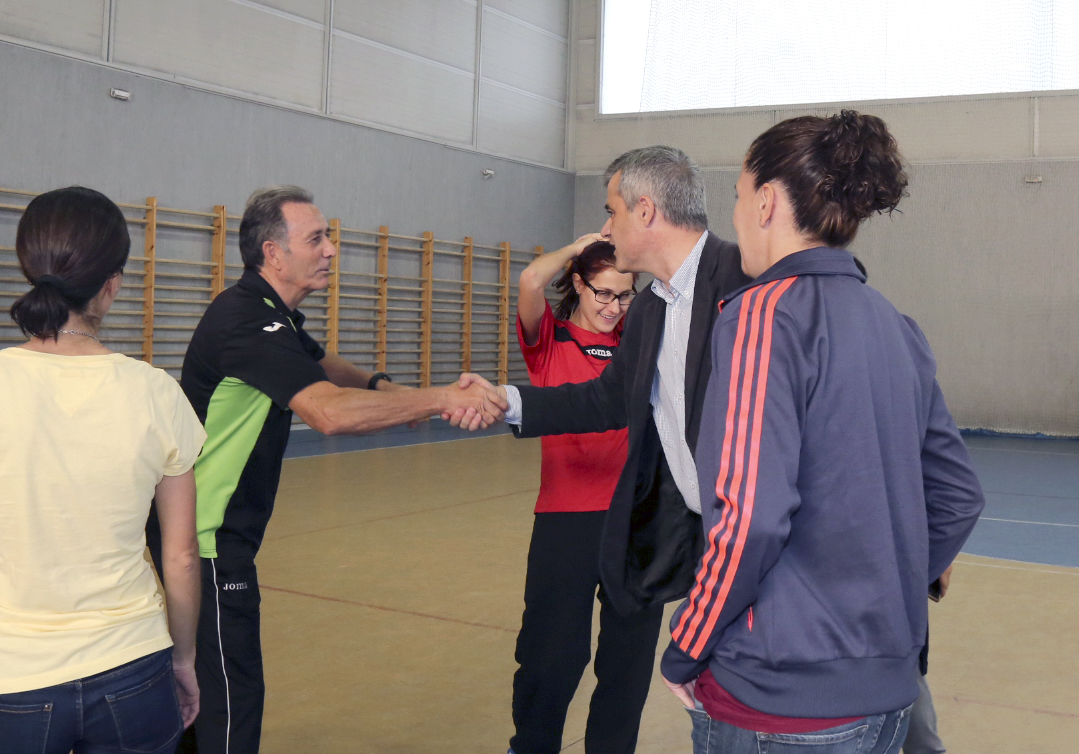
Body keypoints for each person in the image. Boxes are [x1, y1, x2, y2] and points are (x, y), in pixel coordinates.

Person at [658, 111, 985, 754]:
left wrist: (687, 644)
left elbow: (750, 514)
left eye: (738, 196)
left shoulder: (762, 317)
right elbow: (956, 495)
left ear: (768, 203)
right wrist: (887, 584)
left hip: (782, 701)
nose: (736, 215)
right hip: (889, 693)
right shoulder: (895, 325)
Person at [150, 185, 504, 754]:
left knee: (207, 703)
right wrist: (438, 399)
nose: (332, 249)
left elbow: (318, 361)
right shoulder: (248, 321)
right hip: (206, 544)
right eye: (316, 239)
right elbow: (329, 415)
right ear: (273, 253)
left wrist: (386, 387)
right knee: (228, 708)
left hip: (211, 536)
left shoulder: (268, 314)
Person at [456, 145, 751, 626]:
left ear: (645, 210)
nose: (608, 229)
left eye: (612, 212)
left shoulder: (744, 279)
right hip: (702, 538)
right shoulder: (653, 309)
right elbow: (606, 399)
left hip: (759, 540)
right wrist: (504, 400)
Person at [0, 187, 205, 753]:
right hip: (132, 667)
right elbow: (181, 554)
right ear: (112, 283)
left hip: (12, 677)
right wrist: (183, 660)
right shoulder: (156, 393)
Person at [510, 236, 651, 754]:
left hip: (634, 520)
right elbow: (529, 282)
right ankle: (531, 745)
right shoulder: (551, 340)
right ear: (577, 283)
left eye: (624, 295)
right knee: (552, 657)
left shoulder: (635, 350)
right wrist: (577, 245)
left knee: (627, 662)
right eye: (602, 293)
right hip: (566, 521)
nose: (613, 307)